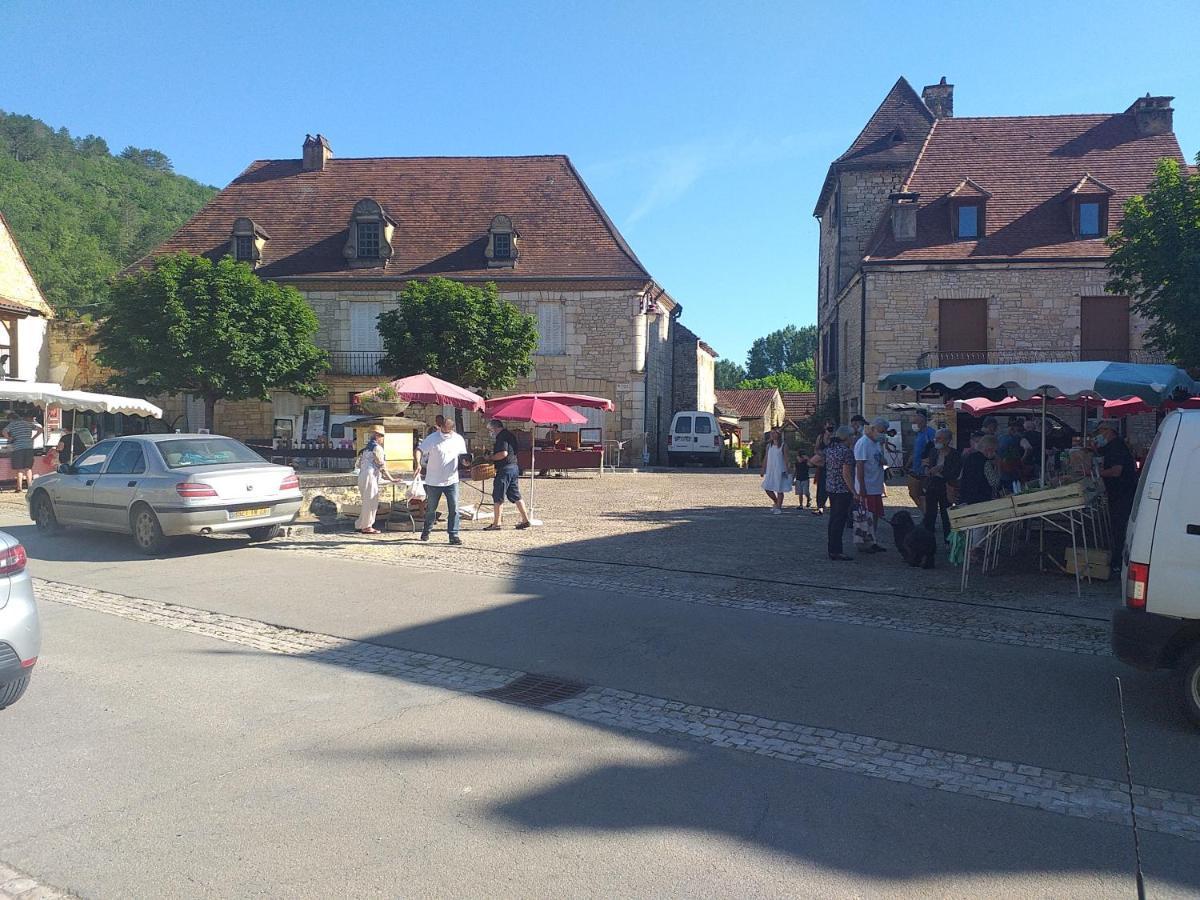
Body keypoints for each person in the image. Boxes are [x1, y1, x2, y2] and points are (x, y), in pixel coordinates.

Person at [1093, 419, 1139, 576]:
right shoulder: (1111, 446)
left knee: (1119, 528)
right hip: (1118, 493)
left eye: (1099, 432)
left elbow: (1116, 470)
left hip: (1123, 493)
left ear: (1108, 431)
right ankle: (1117, 560)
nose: (1098, 435)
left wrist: (1097, 474)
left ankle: (1117, 563)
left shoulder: (1117, 447)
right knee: (1117, 527)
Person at [416, 416, 468, 545]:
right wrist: (417, 463)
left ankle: (453, 534)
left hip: (451, 479)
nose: (444, 433)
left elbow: (463, 457)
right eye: (443, 430)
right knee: (431, 508)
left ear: (452, 430)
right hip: (434, 480)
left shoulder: (458, 439)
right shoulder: (432, 438)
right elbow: (419, 450)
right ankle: (426, 530)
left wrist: (466, 463)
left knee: (454, 508)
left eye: (447, 431)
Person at [485, 418, 531, 531]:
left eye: (490, 430)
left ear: (495, 428)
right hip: (514, 467)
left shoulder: (501, 437)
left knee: (498, 495)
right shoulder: (510, 435)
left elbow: (503, 453)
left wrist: (490, 457)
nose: (490, 432)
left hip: (505, 469)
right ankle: (525, 520)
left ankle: (496, 523)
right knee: (515, 495)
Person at [853, 417, 889, 552]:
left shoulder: (876, 443)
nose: (883, 434)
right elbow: (860, 466)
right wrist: (862, 488)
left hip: (876, 486)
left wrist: (883, 460)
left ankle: (873, 540)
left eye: (884, 431)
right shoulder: (863, 443)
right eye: (881, 431)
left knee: (875, 515)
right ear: (873, 429)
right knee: (865, 516)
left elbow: (880, 459)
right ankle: (863, 543)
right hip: (867, 486)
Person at [921, 428, 961, 543]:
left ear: (947, 440)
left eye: (939, 438)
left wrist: (940, 470)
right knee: (930, 515)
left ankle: (948, 541)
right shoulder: (933, 451)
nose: (936, 440)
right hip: (932, 485)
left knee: (946, 515)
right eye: (936, 438)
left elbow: (955, 473)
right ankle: (927, 541)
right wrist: (927, 469)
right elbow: (928, 465)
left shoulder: (955, 455)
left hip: (946, 486)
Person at [355, 426, 394, 534]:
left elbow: (358, 464)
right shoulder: (377, 448)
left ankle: (360, 524)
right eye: (381, 436)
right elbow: (381, 464)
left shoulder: (366, 448)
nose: (382, 439)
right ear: (377, 436)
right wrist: (391, 478)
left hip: (363, 475)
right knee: (371, 502)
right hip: (370, 476)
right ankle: (367, 526)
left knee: (366, 501)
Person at [825, 425, 856, 560]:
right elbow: (846, 474)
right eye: (852, 436)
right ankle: (836, 551)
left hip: (831, 487)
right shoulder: (846, 452)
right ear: (847, 437)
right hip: (842, 490)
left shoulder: (831, 449)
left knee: (833, 520)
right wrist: (854, 492)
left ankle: (832, 548)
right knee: (839, 520)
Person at [3, 409, 43, 493]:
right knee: (28, 468)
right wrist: (33, 438)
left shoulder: (12, 424)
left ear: (11, 419)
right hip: (29, 447)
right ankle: (30, 486)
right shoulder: (27, 423)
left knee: (19, 469)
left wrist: (10, 438)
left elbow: (4, 432)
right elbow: (40, 429)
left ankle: (19, 487)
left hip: (18, 448)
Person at [907, 410, 936, 514]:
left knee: (922, 494)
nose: (914, 420)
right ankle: (926, 513)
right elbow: (916, 451)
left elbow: (934, 449)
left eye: (916, 417)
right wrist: (908, 464)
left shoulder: (930, 433)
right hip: (916, 468)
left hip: (924, 470)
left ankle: (927, 515)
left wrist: (929, 464)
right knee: (914, 493)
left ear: (922, 419)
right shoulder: (919, 434)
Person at [760, 429, 792, 514]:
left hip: (780, 469)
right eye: (771, 433)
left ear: (778, 434)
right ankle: (776, 501)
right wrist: (763, 469)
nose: (773, 435)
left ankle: (778, 507)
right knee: (767, 488)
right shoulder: (769, 446)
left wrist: (787, 469)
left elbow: (786, 458)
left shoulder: (783, 446)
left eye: (775, 433)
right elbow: (766, 458)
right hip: (771, 470)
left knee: (779, 489)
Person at [811, 419, 834, 516]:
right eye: (828, 425)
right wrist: (820, 454)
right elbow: (816, 449)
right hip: (822, 464)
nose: (830, 428)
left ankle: (833, 506)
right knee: (821, 486)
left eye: (832, 426)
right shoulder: (820, 437)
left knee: (833, 486)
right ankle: (820, 506)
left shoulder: (835, 436)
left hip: (833, 465)